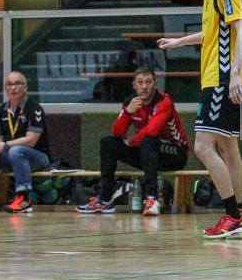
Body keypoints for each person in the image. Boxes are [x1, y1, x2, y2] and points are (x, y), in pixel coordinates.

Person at [157, 0, 242, 238]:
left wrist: (234, 74)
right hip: (221, 77)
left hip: (221, 79)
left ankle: (232, 216)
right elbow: (213, 33)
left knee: (202, 147)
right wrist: (179, 42)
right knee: (228, 148)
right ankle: (238, 216)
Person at [77, 66, 188, 216]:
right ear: (134, 85)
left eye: (148, 82)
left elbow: (152, 131)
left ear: (155, 83)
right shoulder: (131, 102)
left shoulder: (164, 102)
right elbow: (117, 132)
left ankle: (152, 199)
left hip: (175, 153)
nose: (144, 87)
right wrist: (128, 112)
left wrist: (133, 141)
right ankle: (104, 199)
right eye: (140, 82)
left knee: (147, 140)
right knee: (108, 143)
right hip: (147, 152)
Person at [0, 71, 50, 214]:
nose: (13, 88)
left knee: (17, 150)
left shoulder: (34, 109)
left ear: (26, 87)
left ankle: (24, 199)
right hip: (12, 156)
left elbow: (31, 140)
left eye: (17, 84)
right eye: (9, 84)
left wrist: (5, 145)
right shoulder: (0, 110)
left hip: (37, 157)